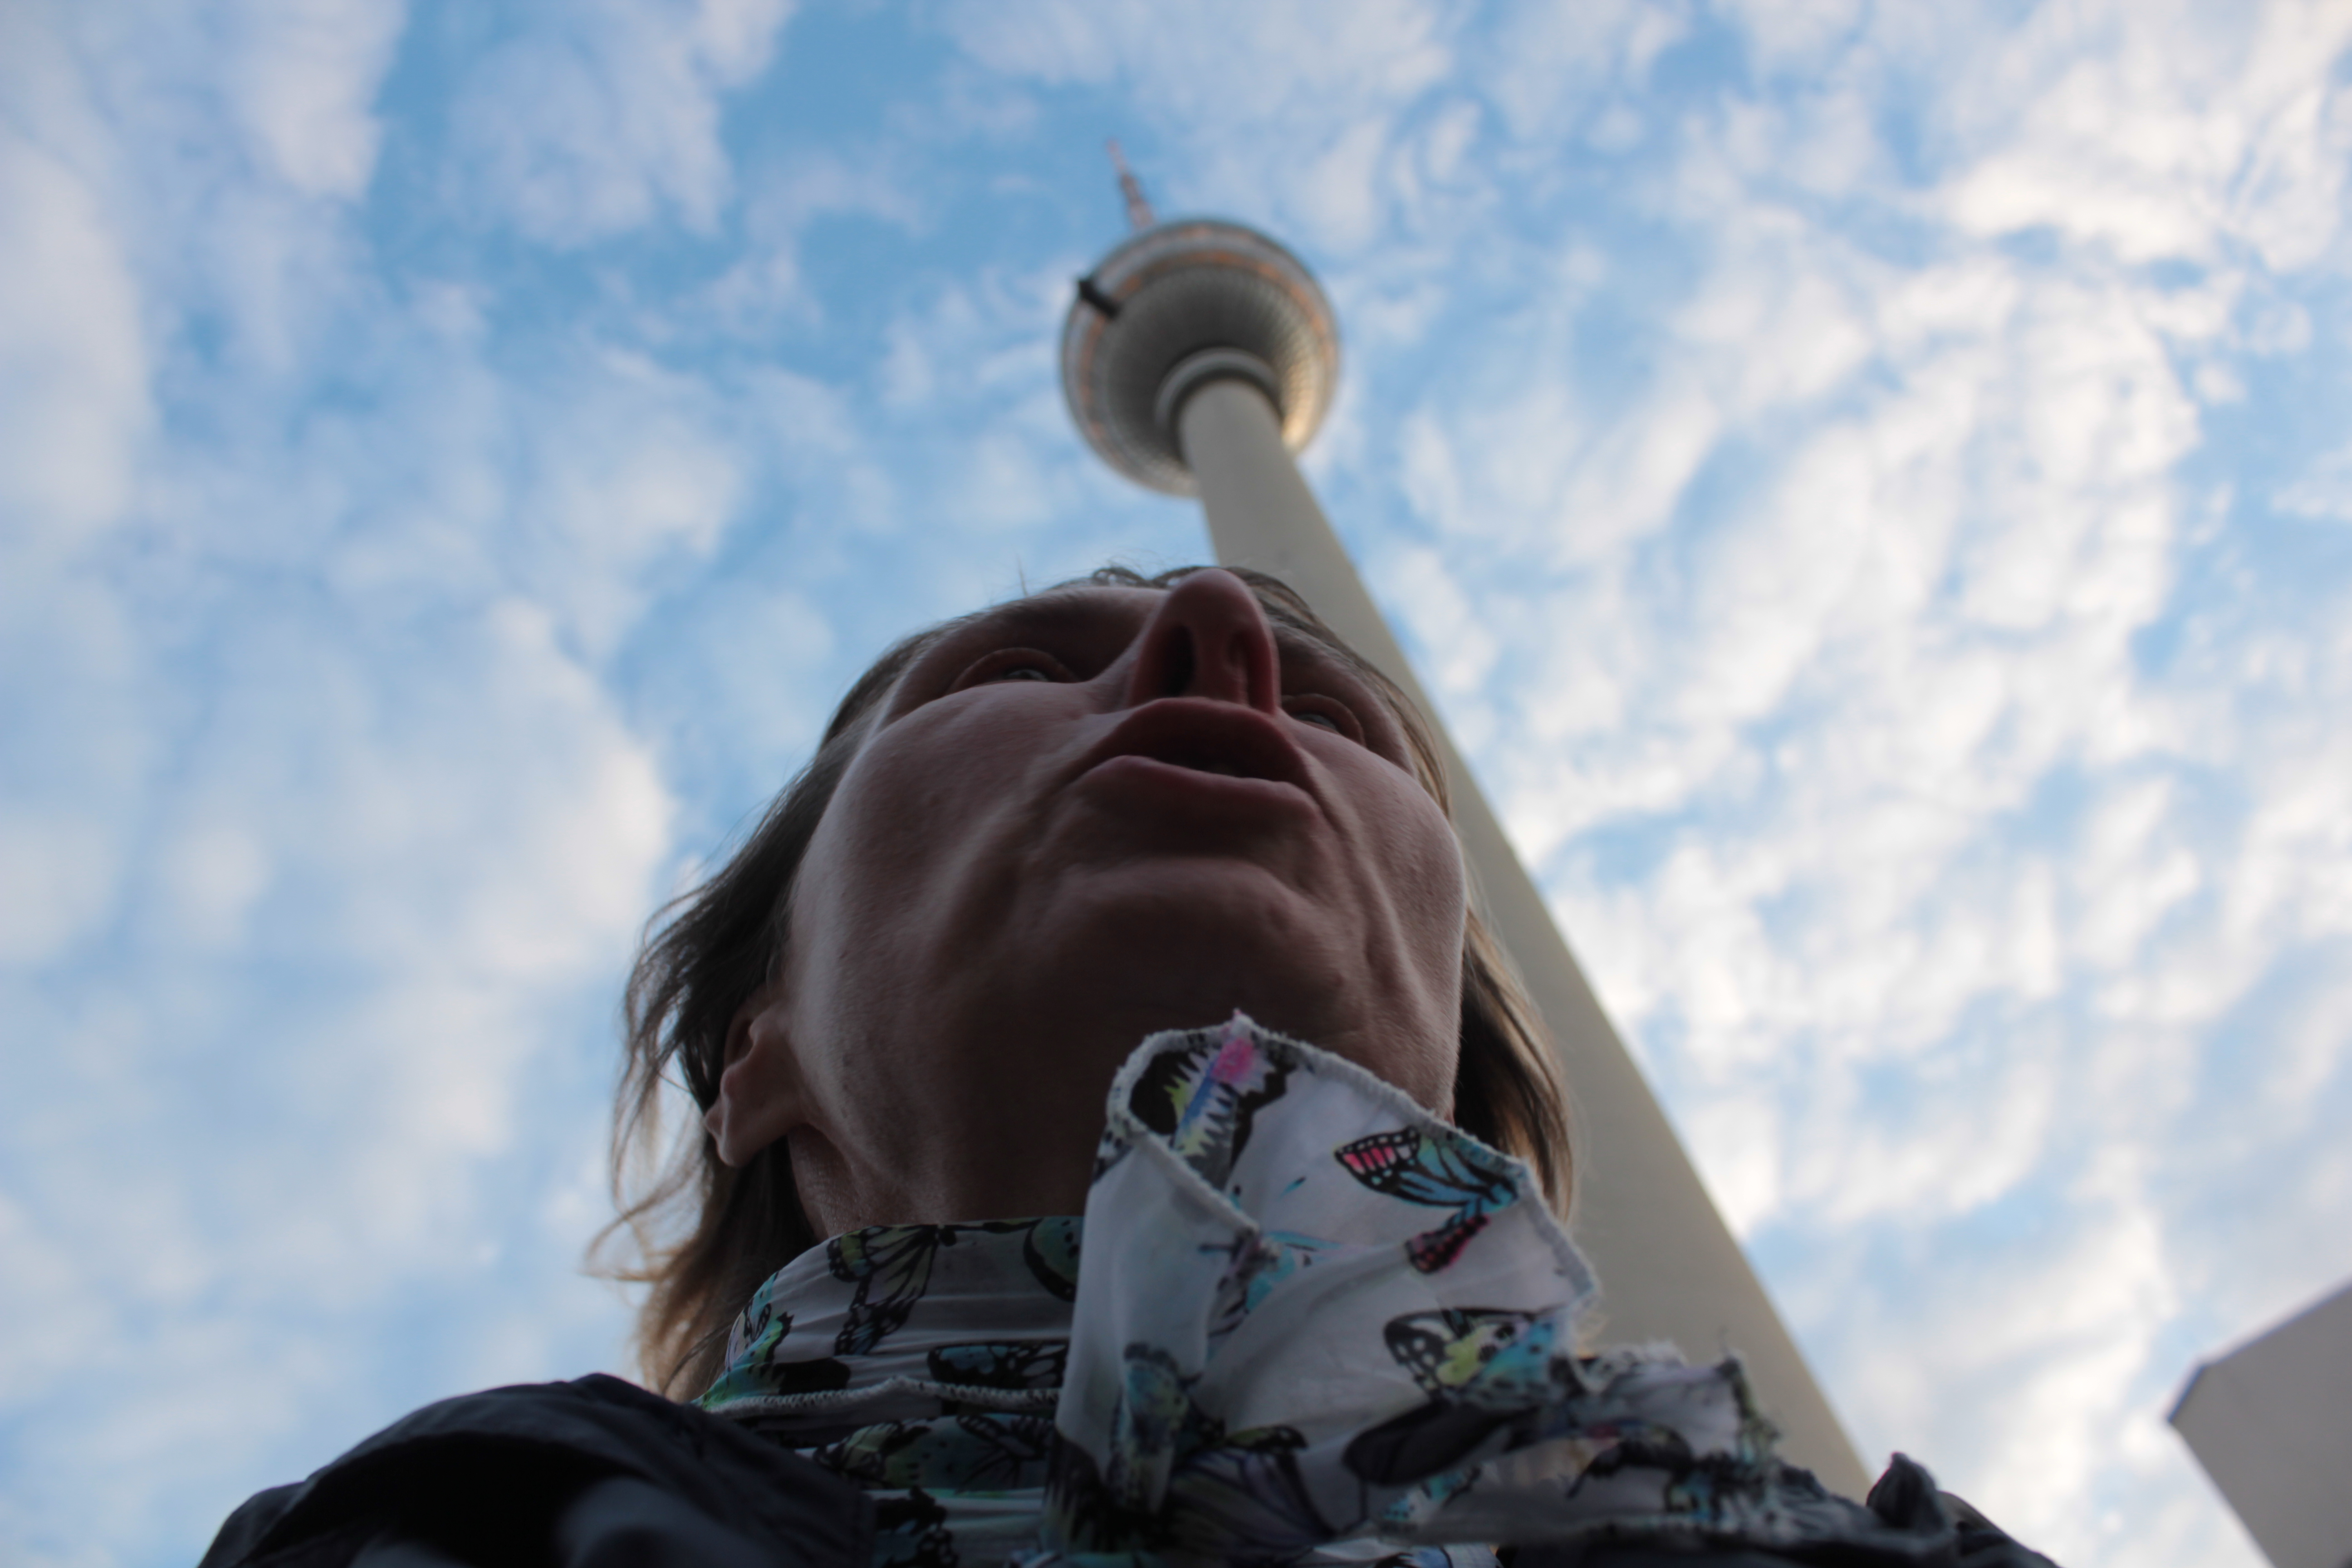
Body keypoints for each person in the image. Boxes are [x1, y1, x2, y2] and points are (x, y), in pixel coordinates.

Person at [202, 566, 2055, 1567]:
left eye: (1339, 716)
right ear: (755, 1050)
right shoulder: (460, 1524)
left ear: (1457, 1102)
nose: (1219, 643)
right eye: (1015, 666)